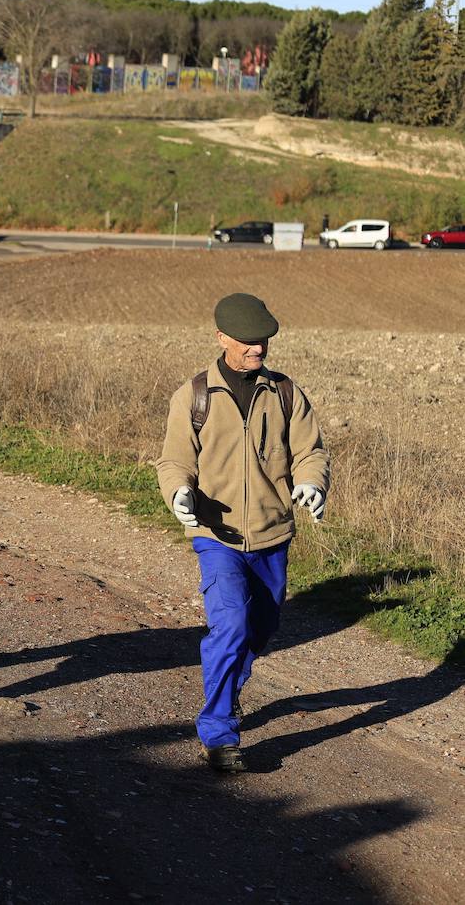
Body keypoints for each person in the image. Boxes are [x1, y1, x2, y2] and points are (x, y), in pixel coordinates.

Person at [157, 292, 330, 774]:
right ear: (222, 338)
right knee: (230, 626)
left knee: (261, 628)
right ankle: (218, 731)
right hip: (218, 536)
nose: (258, 349)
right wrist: (179, 493)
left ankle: (227, 686)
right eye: (249, 342)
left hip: (273, 535)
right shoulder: (194, 396)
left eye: (264, 341)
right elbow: (173, 461)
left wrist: (313, 482)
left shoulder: (285, 393)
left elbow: (311, 451)